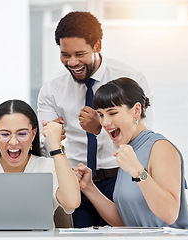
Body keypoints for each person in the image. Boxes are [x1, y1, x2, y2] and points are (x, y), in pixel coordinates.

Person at [37, 11, 154, 227]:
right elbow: (47, 144)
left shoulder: (131, 79)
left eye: (79, 54)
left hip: (120, 179)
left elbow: (144, 140)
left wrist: (101, 129)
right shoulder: (52, 88)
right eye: (65, 54)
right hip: (77, 182)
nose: (72, 62)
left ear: (97, 45)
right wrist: (53, 139)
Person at [75, 77, 188, 228]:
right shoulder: (128, 149)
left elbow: (169, 214)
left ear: (136, 110)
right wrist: (88, 187)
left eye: (112, 113)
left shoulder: (160, 147)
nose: (104, 122)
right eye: (101, 115)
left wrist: (137, 171)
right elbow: (125, 221)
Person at [0, 99, 81, 221]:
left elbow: (71, 202)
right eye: (5, 134)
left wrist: (55, 146)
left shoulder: (49, 166)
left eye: (22, 134)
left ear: (33, 134)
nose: (13, 142)